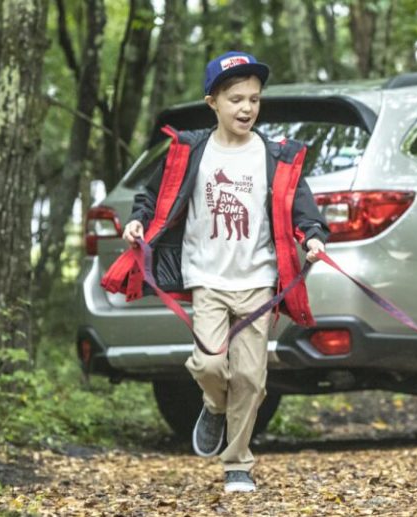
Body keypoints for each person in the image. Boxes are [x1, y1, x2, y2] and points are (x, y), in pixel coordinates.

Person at [115, 51, 328, 493]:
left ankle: (238, 465)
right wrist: (139, 220)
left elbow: (303, 210)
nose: (246, 108)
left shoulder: (275, 156)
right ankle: (214, 407)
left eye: (253, 99)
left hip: (258, 281)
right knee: (211, 364)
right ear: (212, 101)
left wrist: (311, 236)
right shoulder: (190, 151)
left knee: (251, 377)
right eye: (235, 99)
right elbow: (151, 196)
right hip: (206, 278)